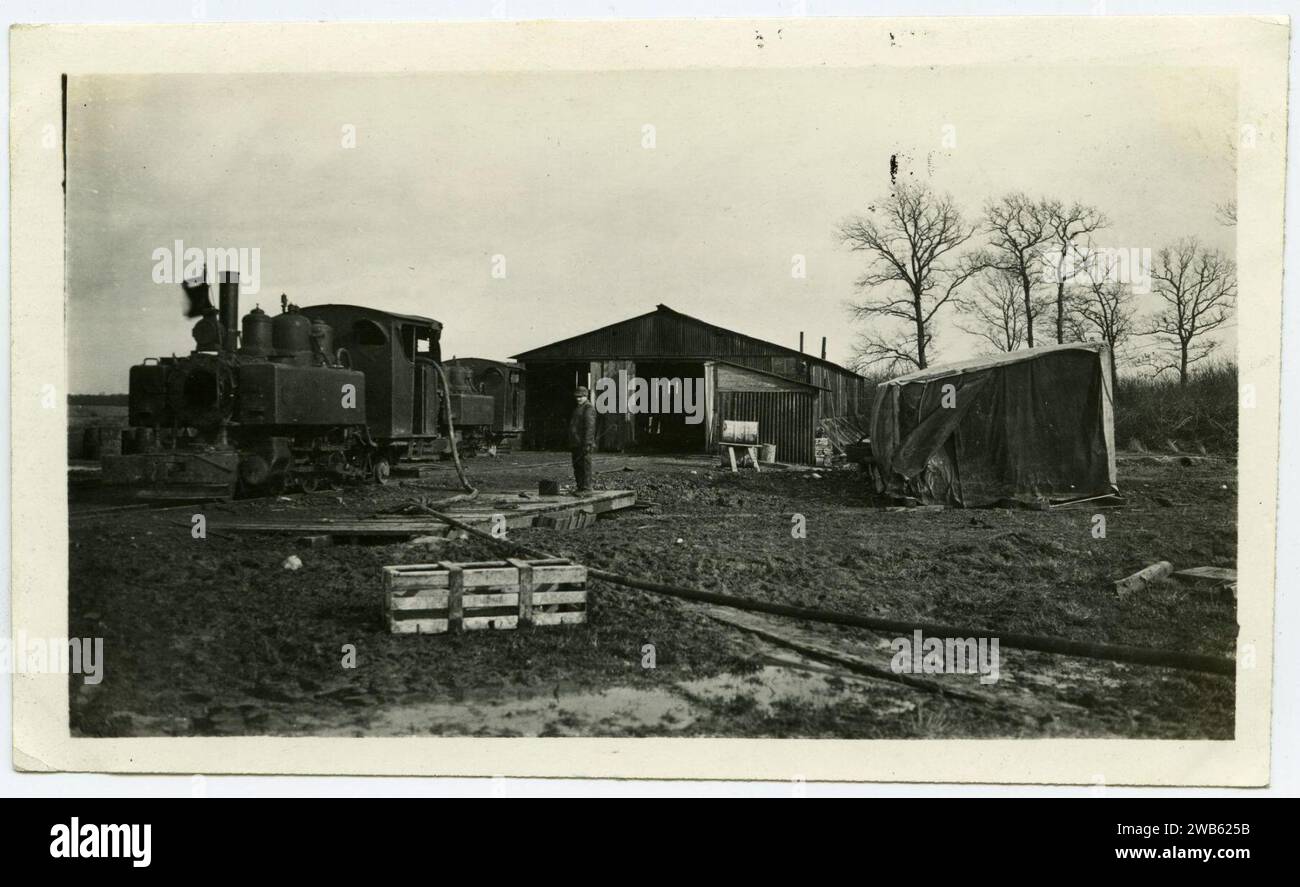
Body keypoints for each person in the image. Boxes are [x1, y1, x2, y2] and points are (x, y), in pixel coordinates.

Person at [569, 385, 597, 493]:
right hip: (576, 443)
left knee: (585, 467)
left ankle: (586, 489)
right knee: (577, 466)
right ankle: (580, 488)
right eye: (577, 397)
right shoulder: (578, 408)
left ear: (586, 396)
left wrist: (588, 443)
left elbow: (590, 428)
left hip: (583, 444)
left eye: (581, 397)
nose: (578, 399)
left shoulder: (588, 408)